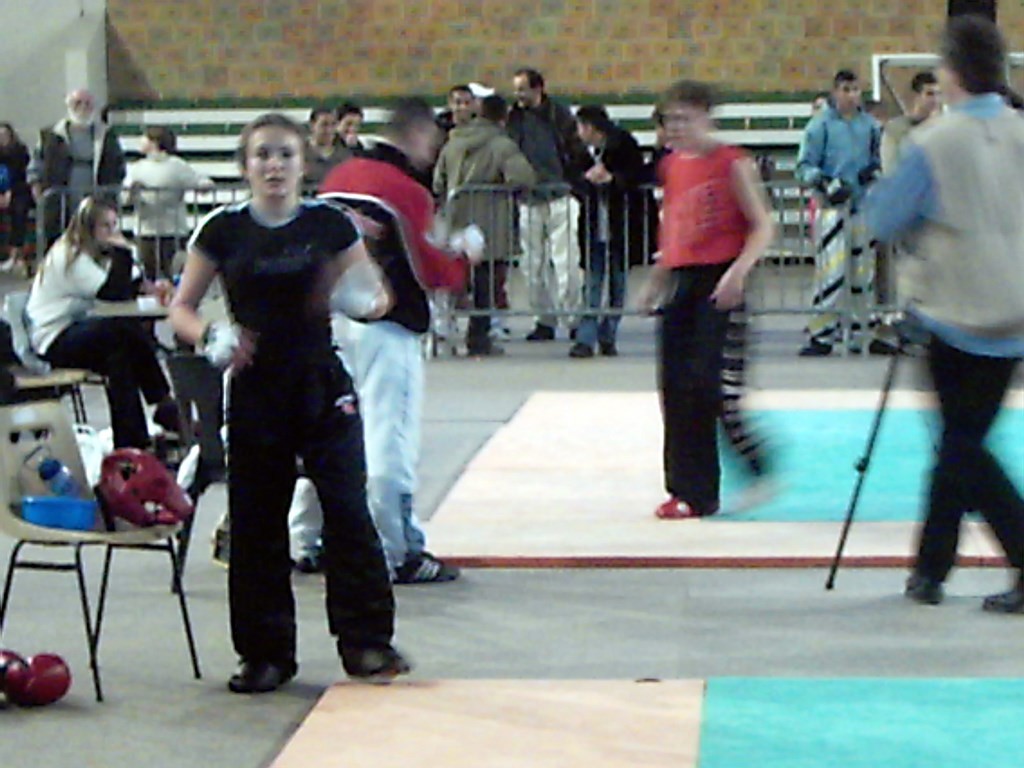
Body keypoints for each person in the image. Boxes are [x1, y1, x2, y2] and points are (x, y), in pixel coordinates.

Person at [169, 112, 411, 692]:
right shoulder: (222, 230)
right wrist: (210, 335)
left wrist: (362, 300)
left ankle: (367, 644)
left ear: (303, 164)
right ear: (245, 166)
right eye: (262, 155)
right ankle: (265, 654)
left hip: (321, 383)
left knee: (348, 511)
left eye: (285, 154)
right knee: (256, 521)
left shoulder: (330, 224)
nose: (274, 166)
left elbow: (376, 296)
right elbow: (181, 308)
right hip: (256, 388)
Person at [864, 15, 1024, 614]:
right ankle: (930, 567)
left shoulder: (934, 141)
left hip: (956, 310)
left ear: (951, 71)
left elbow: (884, 219)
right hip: (1015, 310)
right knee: (961, 439)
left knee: (961, 446)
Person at [321, 98, 482, 584]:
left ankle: (308, 540)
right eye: (432, 140)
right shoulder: (404, 191)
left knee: (328, 434)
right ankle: (396, 550)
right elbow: (432, 271)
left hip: (331, 323)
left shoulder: (337, 178)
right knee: (388, 439)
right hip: (388, 326)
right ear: (416, 134)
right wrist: (465, 254)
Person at [636, 80, 775, 520]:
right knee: (674, 386)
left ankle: (756, 465)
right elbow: (674, 231)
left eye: (684, 118)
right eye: (669, 120)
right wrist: (656, 280)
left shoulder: (732, 162)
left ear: (706, 117)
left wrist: (738, 273)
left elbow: (763, 225)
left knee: (711, 386)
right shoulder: (672, 166)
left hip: (721, 279)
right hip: (682, 279)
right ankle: (689, 490)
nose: (676, 127)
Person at [25, 196, 178, 449]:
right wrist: (123, 252)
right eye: (106, 226)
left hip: (79, 330)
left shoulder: (95, 253)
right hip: (54, 336)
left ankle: (133, 442)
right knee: (119, 330)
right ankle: (162, 403)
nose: (113, 233)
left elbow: (128, 284)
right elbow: (112, 293)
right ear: (89, 228)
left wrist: (151, 286)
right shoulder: (70, 255)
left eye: (115, 225)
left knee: (119, 359)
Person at [434, 93, 536, 356]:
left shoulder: (453, 142)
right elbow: (523, 177)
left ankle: (444, 332)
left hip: (456, 217)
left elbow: (438, 182)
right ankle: (478, 337)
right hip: (492, 221)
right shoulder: (502, 145)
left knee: (451, 279)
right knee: (488, 282)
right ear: (503, 118)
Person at [795, 70, 882, 356]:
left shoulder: (870, 125)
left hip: (862, 207)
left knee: (863, 273)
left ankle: (861, 332)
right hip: (831, 208)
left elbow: (879, 158)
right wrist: (825, 182)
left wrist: (874, 171)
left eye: (856, 89)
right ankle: (822, 333)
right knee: (831, 272)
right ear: (835, 92)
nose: (852, 95)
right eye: (846, 89)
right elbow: (803, 166)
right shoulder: (820, 125)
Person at [507, 67, 592, 342]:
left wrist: (576, 182)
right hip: (528, 199)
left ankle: (573, 318)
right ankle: (543, 319)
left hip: (560, 196)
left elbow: (576, 150)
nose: (518, 95)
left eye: (522, 89)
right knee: (531, 266)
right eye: (516, 89)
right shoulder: (514, 119)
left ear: (538, 88)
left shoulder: (560, 116)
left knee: (566, 262)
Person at [571, 105, 646, 359]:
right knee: (592, 283)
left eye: (581, 127)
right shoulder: (579, 151)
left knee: (617, 283)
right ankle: (585, 338)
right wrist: (585, 180)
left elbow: (637, 176)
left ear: (591, 128)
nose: (578, 132)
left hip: (621, 224)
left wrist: (613, 180)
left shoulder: (624, 145)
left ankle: (608, 334)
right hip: (593, 224)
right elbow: (572, 178)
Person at [27, 89, 126, 250]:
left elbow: (118, 166)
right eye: (77, 103)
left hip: (96, 198)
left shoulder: (107, 135)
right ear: (68, 105)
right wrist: (37, 188)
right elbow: (36, 165)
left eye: (87, 103)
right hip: (59, 200)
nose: (83, 107)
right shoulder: (49, 135)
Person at [124, 126, 212, 280]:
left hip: (171, 231)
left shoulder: (176, 166)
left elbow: (201, 183)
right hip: (147, 230)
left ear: (154, 141)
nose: (140, 140)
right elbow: (124, 197)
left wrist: (204, 185)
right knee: (150, 275)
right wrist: (132, 192)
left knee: (169, 274)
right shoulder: (137, 168)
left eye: (145, 137)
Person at [880, 71, 941, 174]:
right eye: (929, 94)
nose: (935, 99)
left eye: (938, 94)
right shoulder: (896, 129)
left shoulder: (944, 128)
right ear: (916, 96)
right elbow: (890, 169)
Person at [0, 123, 32, 272]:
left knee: (19, 211)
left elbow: (22, 176)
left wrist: (9, 192)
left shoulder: (20, 152)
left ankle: (15, 254)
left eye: (5, 135)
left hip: (18, 192)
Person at [304, 106, 351, 187]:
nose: (329, 130)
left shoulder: (345, 156)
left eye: (333, 125)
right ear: (312, 125)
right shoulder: (299, 154)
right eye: (324, 125)